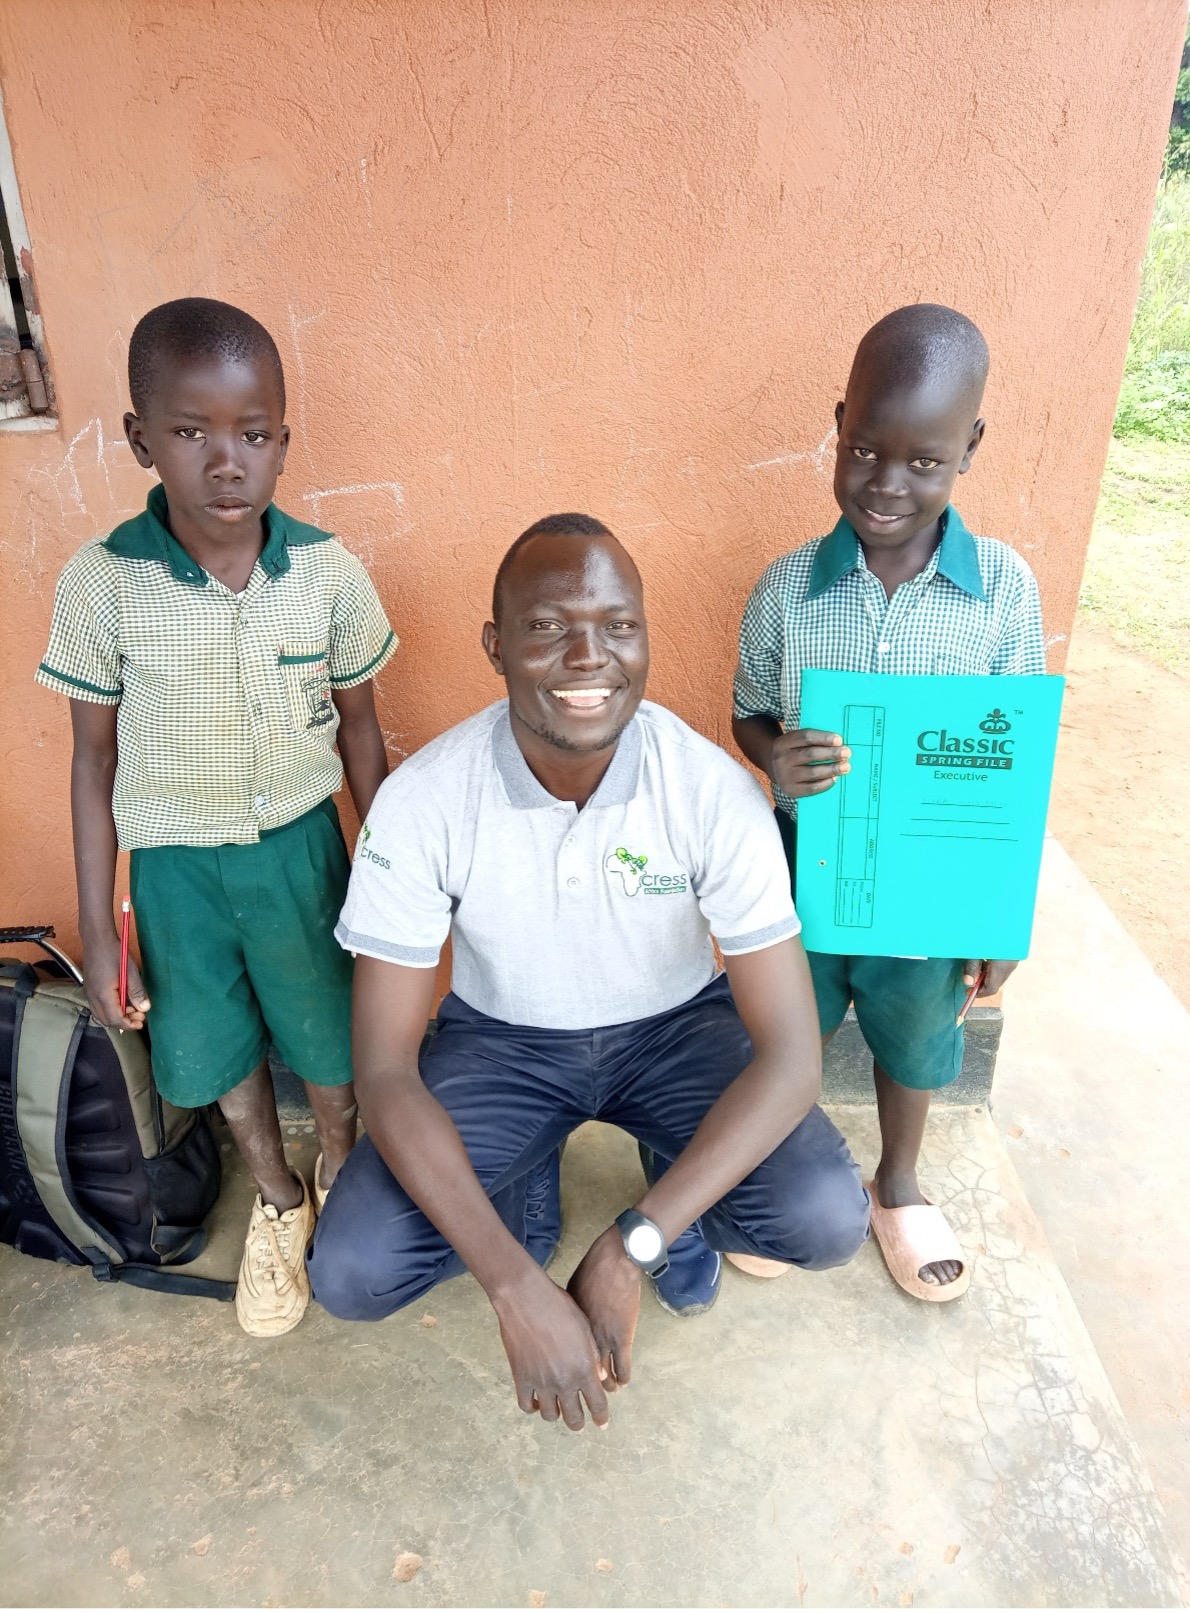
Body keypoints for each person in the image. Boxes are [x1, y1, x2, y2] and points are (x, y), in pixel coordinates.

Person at [309, 514, 868, 1430]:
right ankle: (525, 1199)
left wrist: (628, 1243)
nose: (587, 656)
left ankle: (668, 1195)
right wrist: (513, 1286)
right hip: (504, 1045)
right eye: (546, 626)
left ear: (646, 637)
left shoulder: (712, 792)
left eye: (617, 626)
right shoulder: (424, 802)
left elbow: (794, 1059)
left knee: (821, 1215)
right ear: (496, 645)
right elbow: (384, 1070)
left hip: (676, 1030)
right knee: (353, 1271)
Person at [35, 298, 397, 1337]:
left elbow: (363, 736)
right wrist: (101, 927)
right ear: (143, 440)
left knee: (329, 1034)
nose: (225, 461)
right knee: (213, 1045)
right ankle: (277, 1199)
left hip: (301, 855)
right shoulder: (103, 584)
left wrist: (388, 861)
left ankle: (341, 1163)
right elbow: (91, 756)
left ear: (283, 438)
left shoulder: (326, 572)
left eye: (251, 432)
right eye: (190, 434)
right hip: (175, 873)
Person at [732, 303, 1046, 1303]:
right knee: (791, 1026)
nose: (885, 483)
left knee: (917, 1034)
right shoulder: (787, 587)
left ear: (970, 449)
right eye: (864, 449)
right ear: (836, 424)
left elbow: (1016, 766)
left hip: (933, 891)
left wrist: (1000, 914)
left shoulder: (1003, 591)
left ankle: (898, 1185)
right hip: (806, 874)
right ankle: (785, 1180)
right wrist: (772, 757)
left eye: (923, 461)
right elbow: (746, 711)